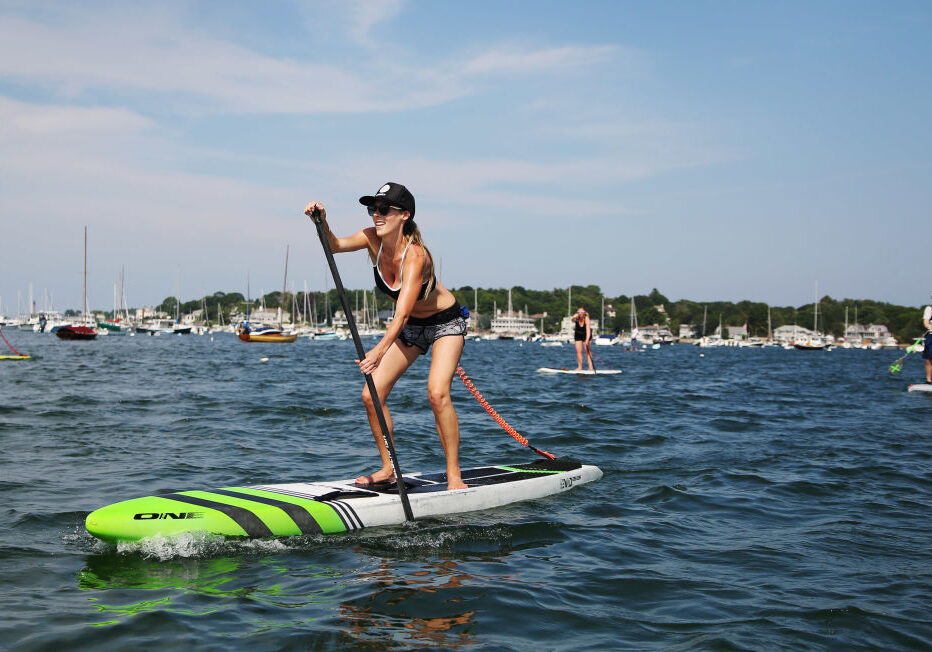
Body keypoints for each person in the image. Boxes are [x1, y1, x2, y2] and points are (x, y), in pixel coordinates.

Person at [304, 182, 469, 490]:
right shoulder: (371, 239)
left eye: (383, 210)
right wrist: (322, 222)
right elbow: (334, 246)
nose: (376, 216)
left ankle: (454, 476)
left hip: (445, 323)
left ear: (404, 215)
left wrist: (377, 352)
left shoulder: (415, 255)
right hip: (410, 328)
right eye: (373, 209)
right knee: (371, 395)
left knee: (437, 393)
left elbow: (402, 312)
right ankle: (389, 468)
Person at [923, 294, 932, 384]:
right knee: (929, 359)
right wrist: (930, 326)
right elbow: (926, 323)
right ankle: (928, 380)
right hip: (931, 336)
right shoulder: (929, 309)